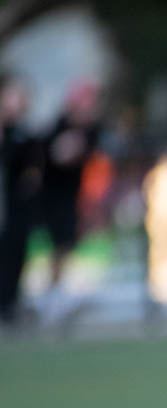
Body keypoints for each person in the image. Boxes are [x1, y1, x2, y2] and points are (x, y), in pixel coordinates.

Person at [39, 80, 101, 319]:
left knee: (68, 244)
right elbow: (51, 154)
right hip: (54, 196)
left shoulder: (92, 130)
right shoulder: (58, 126)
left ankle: (58, 292)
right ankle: (51, 295)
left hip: (77, 196)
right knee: (59, 244)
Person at [0, 79, 44, 328]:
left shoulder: (26, 133)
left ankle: (9, 304)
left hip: (16, 209)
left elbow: (33, 167)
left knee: (14, 254)